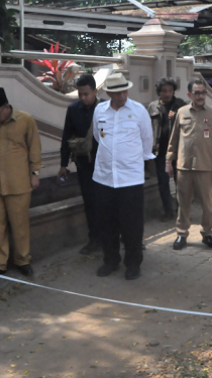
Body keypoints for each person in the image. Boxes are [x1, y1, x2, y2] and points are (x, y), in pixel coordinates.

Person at [92, 72, 154, 280]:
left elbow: (147, 142)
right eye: (117, 92)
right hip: (104, 178)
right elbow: (97, 136)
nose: (121, 96)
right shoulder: (100, 111)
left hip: (131, 179)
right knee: (106, 223)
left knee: (132, 225)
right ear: (109, 92)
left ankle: (133, 263)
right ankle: (111, 260)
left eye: (124, 91)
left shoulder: (139, 111)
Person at [0, 87, 43, 279]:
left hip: (19, 184)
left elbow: (34, 148)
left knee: (20, 225)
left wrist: (35, 173)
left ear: (7, 107)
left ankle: (23, 260)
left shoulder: (26, 120)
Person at [166, 77, 212, 250]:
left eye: (203, 92)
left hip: (206, 167)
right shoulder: (182, 112)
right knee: (183, 203)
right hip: (184, 166)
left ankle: (207, 234)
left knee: (208, 204)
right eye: (197, 93)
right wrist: (169, 160)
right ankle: (181, 234)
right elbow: (174, 139)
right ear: (189, 94)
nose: (200, 96)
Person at [58, 74, 101, 255]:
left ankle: (114, 237)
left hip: (104, 164)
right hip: (84, 165)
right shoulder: (73, 109)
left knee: (109, 203)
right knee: (90, 203)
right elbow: (67, 136)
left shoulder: (105, 108)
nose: (83, 98)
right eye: (80, 94)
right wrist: (63, 164)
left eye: (86, 94)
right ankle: (94, 240)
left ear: (95, 91)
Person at [147, 77, 187, 221]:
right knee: (163, 182)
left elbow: (189, 124)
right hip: (160, 151)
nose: (167, 94)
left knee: (180, 182)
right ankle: (168, 211)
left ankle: (182, 211)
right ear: (159, 92)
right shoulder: (153, 106)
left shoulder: (180, 105)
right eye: (164, 91)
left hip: (178, 151)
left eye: (170, 91)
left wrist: (176, 117)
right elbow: (148, 128)